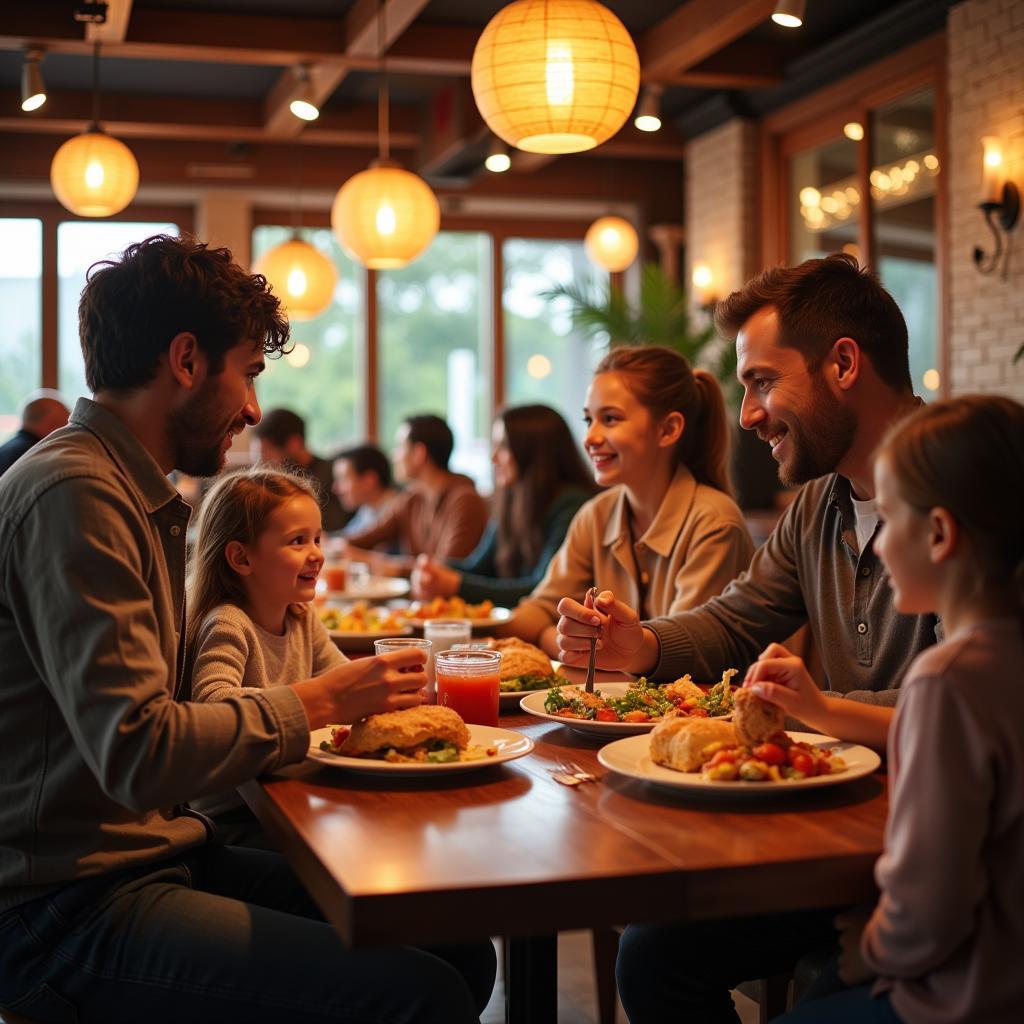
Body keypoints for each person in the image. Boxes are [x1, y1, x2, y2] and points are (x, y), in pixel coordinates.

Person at [0, 234, 495, 1024]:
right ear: (187, 361)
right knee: (422, 993)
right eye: (250, 374)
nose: (255, 410)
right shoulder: (77, 494)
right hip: (60, 908)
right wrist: (319, 702)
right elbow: (140, 752)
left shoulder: (127, 489)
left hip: (150, 855)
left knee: (456, 943)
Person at [555, 255, 942, 1022]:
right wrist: (644, 646)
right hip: (840, 844)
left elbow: (976, 698)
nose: (746, 414)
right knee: (654, 955)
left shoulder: (967, 490)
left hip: (941, 852)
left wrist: (812, 706)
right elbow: (737, 619)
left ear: (842, 363)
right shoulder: (818, 506)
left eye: (762, 381)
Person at [757, 395, 1024, 1024]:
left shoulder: (944, 680)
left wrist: (866, 951)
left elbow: (929, 907)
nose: (874, 549)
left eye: (890, 522)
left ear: (937, 535)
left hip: (956, 994)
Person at [507, 346, 754, 658]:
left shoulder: (714, 522)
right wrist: (555, 638)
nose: (590, 437)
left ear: (668, 429)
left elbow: (680, 654)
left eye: (610, 419)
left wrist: (560, 642)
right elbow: (539, 609)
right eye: (588, 420)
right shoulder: (596, 514)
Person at [187, 467, 350, 846]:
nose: (317, 555)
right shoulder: (229, 623)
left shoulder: (300, 616)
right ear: (241, 558)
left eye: (317, 539)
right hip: (234, 819)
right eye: (298, 541)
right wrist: (314, 701)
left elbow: (342, 677)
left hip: (285, 792)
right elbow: (212, 705)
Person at [411, 404, 597, 606]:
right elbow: (479, 567)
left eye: (504, 446)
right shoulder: (511, 501)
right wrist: (435, 568)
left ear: (533, 451)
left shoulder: (571, 504)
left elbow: (542, 590)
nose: (493, 457)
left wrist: (456, 585)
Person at [343, 413, 489, 575]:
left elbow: (446, 570)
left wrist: (376, 562)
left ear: (419, 453)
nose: (394, 456)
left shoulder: (466, 501)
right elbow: (368, 537)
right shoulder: (411, 498)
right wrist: (330, 543)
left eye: (399, 447)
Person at [251, 406, 351, 533]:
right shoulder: (277, 482)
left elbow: (333, 531)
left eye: (266, 452)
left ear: (294, 443)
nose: (261, 462)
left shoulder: (333, 477)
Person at [333, 442, 400, 537]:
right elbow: (347, 537)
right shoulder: (367, 510)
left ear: (369, 480)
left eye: (343, 479)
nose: (335, 488)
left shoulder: (399, 513)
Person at [0, 389, 69, 475]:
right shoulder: (38, 454)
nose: (67, 431)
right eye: (65, 424)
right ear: (51, 424)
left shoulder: (6, 449)